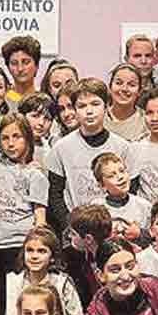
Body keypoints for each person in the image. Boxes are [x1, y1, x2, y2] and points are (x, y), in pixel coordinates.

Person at [45, 79, 132, 222]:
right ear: (75, 110)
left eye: (95, 104)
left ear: (107, 106)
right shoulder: (61, 148)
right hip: (75, 228)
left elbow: (130, 190)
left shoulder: (122, 147)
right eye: (82, 106)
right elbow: (55, 194)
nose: (89, 111)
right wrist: (68, 226)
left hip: (115, 226)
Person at [0, 114, 47, 299]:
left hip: (20, 244)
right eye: (5, 138)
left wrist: (36, 245)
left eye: (16, 137)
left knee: (20, 299)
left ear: (27, 138)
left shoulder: (34, 175)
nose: (10, 143)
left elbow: (40, 215)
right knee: (0, 300)